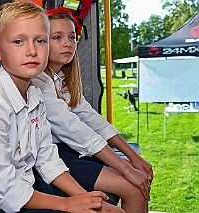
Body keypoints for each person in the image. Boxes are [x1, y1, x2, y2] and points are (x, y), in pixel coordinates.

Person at [0, 2, 125, 213]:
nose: (31, 51)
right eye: (19, 41)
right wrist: (67, 204)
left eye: (40, 41)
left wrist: (83, 198)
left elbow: (47, 159)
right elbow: (4, 189)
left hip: (26, 185)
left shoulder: (34, 95)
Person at [32, 7, 154, 213]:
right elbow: (72, 128)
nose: (67, 43)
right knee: (133, 189)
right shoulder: (37, 82)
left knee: (138, 185)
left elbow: (91, 118)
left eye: (71, 37)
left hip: (69, 151)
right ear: (41, 43)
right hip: (52, 157)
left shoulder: (60, 78)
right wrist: (126, 167)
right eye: (57, 37)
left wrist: (133, 157)